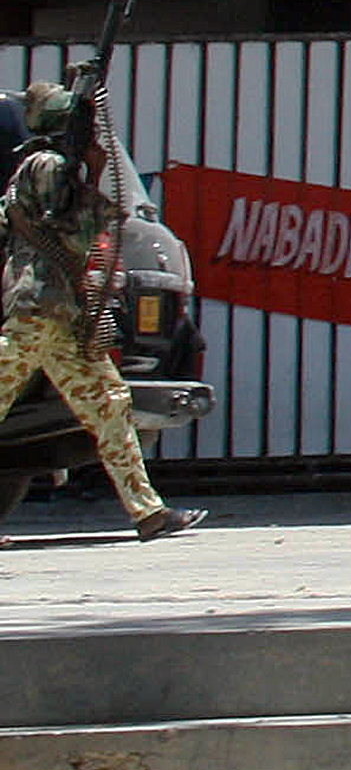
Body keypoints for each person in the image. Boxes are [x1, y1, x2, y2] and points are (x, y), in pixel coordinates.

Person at [1, 76, 196, 537]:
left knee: (110, 405)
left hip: (60, 319)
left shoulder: (47, 168)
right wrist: (87, 168)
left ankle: (148, 512)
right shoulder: (46, 166)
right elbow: (73, 228)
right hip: (38, 312)